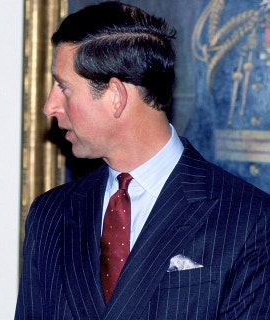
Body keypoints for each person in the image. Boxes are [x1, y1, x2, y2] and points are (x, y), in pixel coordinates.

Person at [15, 1, 270, 319]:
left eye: (64, 88)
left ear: (116, 97)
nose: (50, 107)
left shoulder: (249, 220)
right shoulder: (50, 215)